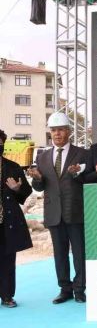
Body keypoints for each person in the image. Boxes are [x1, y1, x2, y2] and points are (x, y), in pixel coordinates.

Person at [27, 113, 88, 304]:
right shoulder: (42, 157)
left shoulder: (83, 154)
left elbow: (89, 180)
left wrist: (78, 174)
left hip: (76, 211)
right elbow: (39, 187)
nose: (57, 134)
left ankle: (80, 289)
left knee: (79, 253)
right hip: (54, 212)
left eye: (61, 130)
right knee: (59, 254)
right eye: (53, 130)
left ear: (68, 131)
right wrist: (37, 179)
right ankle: (65, 289)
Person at [0, 128, 33, 308]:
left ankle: (7, 296)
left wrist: (17, 189)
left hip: (7, 222)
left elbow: (26, 191)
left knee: (7, 259)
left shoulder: (13, 167)